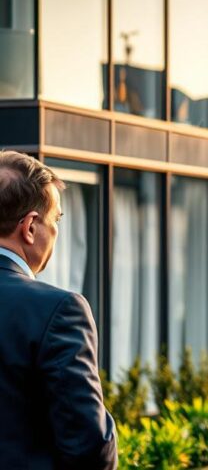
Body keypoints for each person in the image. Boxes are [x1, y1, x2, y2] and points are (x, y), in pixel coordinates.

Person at [0, 151, 117, 469]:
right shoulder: (59, 310)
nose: (56, 233)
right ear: (30, 227)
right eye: (56, 220)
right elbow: (90, 447)